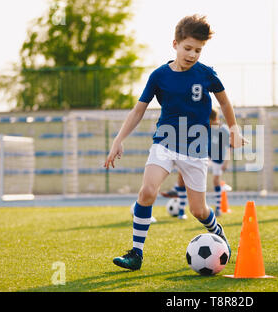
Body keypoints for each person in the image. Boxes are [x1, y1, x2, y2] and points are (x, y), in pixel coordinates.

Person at [104, 15, 246, 271]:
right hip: (165, 142)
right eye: (188, 48)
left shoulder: (207, 74)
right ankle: (136, 254)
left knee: (198, 210)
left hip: (196, 149)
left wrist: (234, 129)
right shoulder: (159, 76)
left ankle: (219, 234)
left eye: (198, 50)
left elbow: (224, 102)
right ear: (175, 44)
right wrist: (118, 139)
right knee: (147, 192)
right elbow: (138, 110)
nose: (192, 54)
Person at [162, 107, 231, 218]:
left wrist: (226, 162)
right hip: (204, 155)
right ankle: (181, 210)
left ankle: (218, 208)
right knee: (182, 174)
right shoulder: (203, 127)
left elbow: (228, 147)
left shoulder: (223, 130)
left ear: (214, 119)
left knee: (216, 180)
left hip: (218, 157)